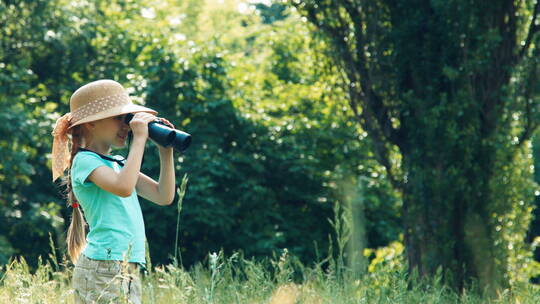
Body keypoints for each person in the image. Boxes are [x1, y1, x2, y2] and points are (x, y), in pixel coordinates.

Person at [50, 79, 177, 303]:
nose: (127, 126)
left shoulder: (117, 163)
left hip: (126, 266)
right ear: (91, 123)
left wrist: (165, 152)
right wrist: (139, 138)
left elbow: (163, 196)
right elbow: (124, 188)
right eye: (119, 118)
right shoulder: (84, 161)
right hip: (103, 267)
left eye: (128, 119)